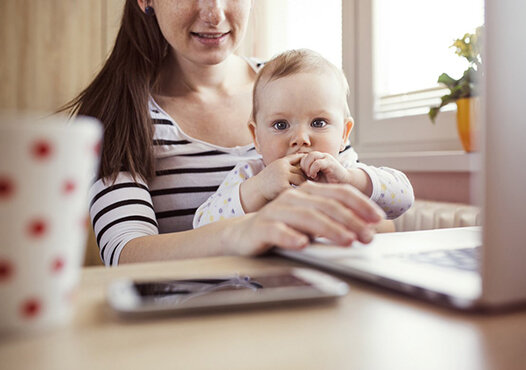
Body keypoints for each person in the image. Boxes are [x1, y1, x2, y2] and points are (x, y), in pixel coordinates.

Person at [63, 0, 388, 266]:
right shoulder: (116, 110)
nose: (214, 13)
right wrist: (238, 233)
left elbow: (379, 223)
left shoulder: (292, 86)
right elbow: (124, 255)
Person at [193, 49, 414, 228]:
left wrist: (350, 179)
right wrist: (258, 189)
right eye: (281, 125)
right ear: (256, 137)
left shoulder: (345, 169)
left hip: (341, 278)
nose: (300, 139)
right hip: (267, 281)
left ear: (344, 134)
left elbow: (403, 200)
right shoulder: (251, 175)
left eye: (318, 123)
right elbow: (202, 226)